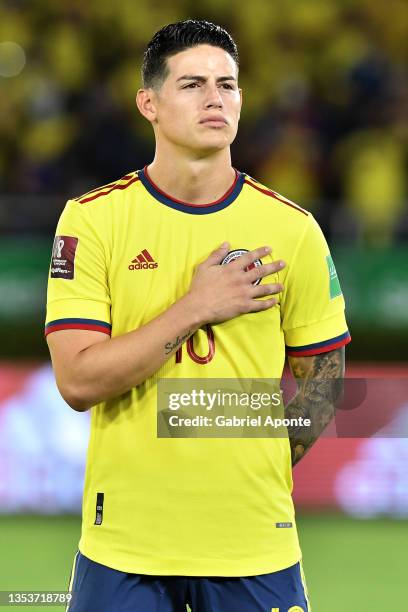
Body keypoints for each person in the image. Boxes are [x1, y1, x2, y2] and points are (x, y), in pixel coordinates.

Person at [45, 19, 350, 612]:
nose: (216, 98)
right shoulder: (91, 221)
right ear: (148, 103)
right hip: (124, 548)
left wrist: (249, 458)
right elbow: (78, 382)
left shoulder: (294, 229)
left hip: (255, 545)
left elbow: (326, 377)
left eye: (228, 84)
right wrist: (196, 307)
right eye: (192, 84)